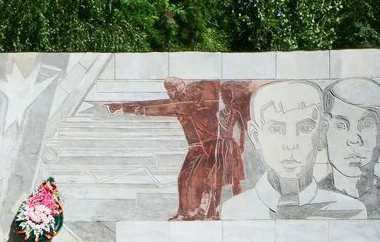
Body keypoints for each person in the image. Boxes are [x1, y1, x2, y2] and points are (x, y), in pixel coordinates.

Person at [219, 80, 366, 220]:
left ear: (322, 134)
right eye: (276, 129)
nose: (290, 144)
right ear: (256, 137)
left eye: (305, 128)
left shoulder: (351, 212)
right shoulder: (233, 211)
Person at [106, 78, 245, 220]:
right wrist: (123, 106)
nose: (169, 95)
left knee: (193, 180)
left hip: (206, 148)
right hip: (197, 148)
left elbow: (167, 108)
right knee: (186, 180)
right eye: (168, 92)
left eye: (172, 91)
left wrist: (144, 110)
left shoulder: (191, 105)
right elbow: (160, 103)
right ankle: (188, 213)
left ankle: (193, 213)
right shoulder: (184, 103)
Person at [320, 78, 380, 217]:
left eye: (367, 124)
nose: (354, 140)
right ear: (324, 129)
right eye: (340, 125)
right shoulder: (307, 203)